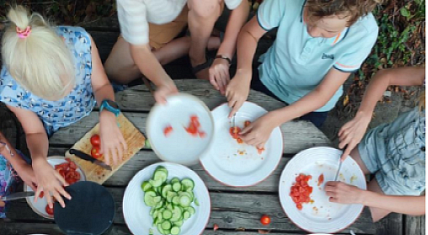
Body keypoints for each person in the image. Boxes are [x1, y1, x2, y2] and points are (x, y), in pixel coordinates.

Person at [0, 6, 130, 211]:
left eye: (65, 82)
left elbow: (101, 86)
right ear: (20, 79)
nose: (63, 93)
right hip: (57, 129)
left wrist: (107, 113)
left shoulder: (79, 42)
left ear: (63, 45)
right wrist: (39, 160)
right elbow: (35, 131)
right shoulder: (10, 90)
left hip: (94, 107)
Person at [225, 0, 379, 133]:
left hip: (312, 104)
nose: (313, 32)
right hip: (269, 78)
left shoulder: (364, 33)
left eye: (329, 30)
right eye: (309, 17)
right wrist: (243, 72)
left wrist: (275, 119)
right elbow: (250, 33)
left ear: (353, 20)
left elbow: (323, 93)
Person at [325, 65, 426, 221]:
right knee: (323, 183)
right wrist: (363, 116)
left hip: (400, 184)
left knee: (349, 222)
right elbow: (386, 75)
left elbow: (424, 205)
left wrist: (362, 197)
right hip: (379, 146)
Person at [105, 0, 251, 99]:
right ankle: (191, 42)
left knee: (204, 4)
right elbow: (139, 49)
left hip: (204, 7)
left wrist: (224, 55)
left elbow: (242, 4)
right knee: (117, 72)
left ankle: (197, 55)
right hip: (161, 18)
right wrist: (163, 81)